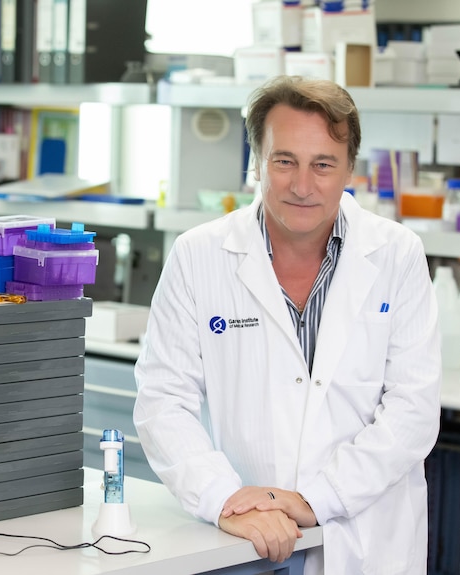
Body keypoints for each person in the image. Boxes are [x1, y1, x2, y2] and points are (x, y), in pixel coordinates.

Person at [133, 75, 442, 574]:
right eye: (284, 162)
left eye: (323, 164)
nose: (302, 185)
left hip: (362, 541)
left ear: (348, 170)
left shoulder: (396, 254)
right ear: (256, 163)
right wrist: (224, 498)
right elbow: (162, 400)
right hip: (243, 543)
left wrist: (315, 498)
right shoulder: (199, 255)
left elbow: (414, 411)